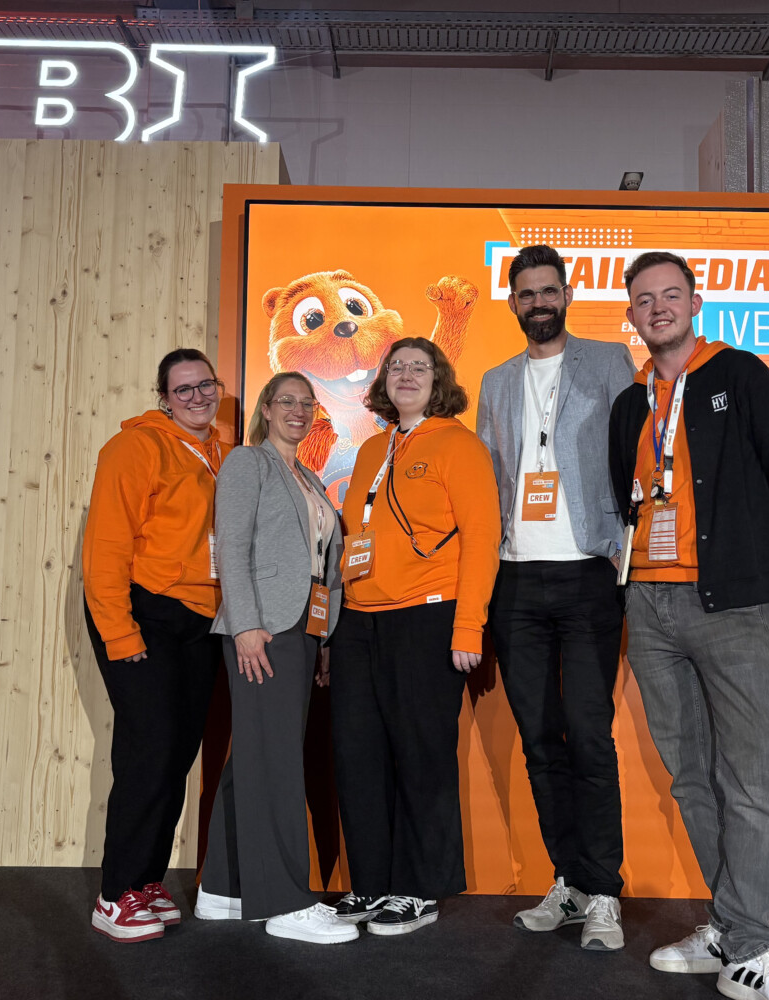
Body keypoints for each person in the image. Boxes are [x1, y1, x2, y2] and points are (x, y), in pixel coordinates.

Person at [608, 252, 769, 1000]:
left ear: (695, 304)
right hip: (649, 607)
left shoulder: (741, 375)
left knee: (751, 776)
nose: (658, 308)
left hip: (730, 605)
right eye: (644, 300)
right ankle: (730, 927)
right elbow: (627, 500)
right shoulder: (630, 403)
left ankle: (754, 947)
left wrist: (748, 565)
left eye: (671, 295)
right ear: (631, 315)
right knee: (692, 777)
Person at [475, 245, 636, 951]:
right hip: (515, 579)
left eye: (548, 290)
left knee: (590, 737)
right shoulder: (495, 380)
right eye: (526, 293)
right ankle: (568, 880)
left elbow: (635, 452)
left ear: (566, 295)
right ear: (513, 303)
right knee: (541, 740)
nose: (538, 302)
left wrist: (626, 541)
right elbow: (486, 480)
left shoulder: (608, 361)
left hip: (588, 574)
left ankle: (604, 892)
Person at [327, 337, 501, 935]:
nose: (405, 375)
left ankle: (418, 889)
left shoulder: (460, 445)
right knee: (358, 755)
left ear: (438, 380)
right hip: (359, 620)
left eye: (418, 367)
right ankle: (371, 883)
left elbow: (482, 538)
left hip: (428, 616)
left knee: (422, 757)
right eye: (396, 366)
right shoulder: (371, 449)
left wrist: (468, 625)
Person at [196, 372, 356, 945]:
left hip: (302, 630)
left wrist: (323, 638)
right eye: (286, 400)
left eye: (307, 402)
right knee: (278, 763)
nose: (298, 410)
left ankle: (223, 889)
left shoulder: (308, 477)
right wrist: (245, 625)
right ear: (265, 409)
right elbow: (232, 546)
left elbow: (321, 564)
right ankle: (285, 902)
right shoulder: (249, 463)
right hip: (262, 627)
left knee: (258, 759)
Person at [82, 348, 231, 943]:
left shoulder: (223, 453)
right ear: (164, 398)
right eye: (183, 389)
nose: (197, 396)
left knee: (175, 754)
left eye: (205, 385)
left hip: (201, 619)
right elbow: (106, 549)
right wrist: (120, 633)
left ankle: (144, 881)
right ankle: (114, 894)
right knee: (148, 752)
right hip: (145, 612)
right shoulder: (134, 447)